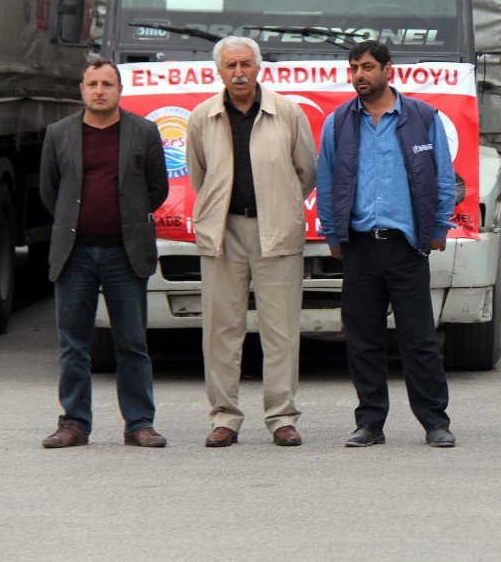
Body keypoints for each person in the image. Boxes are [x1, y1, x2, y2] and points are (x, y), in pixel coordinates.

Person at [316, 40, 457, 449]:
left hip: (406, 245)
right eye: (354, 68)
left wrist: (437, 229)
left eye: (367, 67)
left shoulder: (422, 118)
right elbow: (326, 182)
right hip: (360, 246)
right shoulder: (339, 123)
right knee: (363, 340)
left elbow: (441, 177)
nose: (360, 75)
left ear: (388, 70)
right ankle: (370, 423)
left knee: (419, 339)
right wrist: (332, 234)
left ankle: (434, 421)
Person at [186, 36, 316, 448]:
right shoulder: (202, 117)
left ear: (259, 68)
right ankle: (225, 417)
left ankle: (281, 418)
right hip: (224, 233)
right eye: (230, 66)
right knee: (222, 330)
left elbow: (305, 171)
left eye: (245, 64)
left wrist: (281, 205)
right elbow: (199, 175)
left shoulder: (288, 113)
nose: (238, 72)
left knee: (280, 330)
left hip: (275, 231)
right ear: (219, 71)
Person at [39, 59, 169, 449]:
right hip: (74, 255)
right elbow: (51, 191)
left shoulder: (143, 132)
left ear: (119, 90)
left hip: (124, 254)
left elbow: (157, 187)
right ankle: (74, 423)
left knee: (131, 343)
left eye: (107, 84)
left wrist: (127, 219)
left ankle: (139, 424)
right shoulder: (59, 134)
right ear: (81, 89)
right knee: (73, 344)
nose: (99, 90)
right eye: (92, 83)